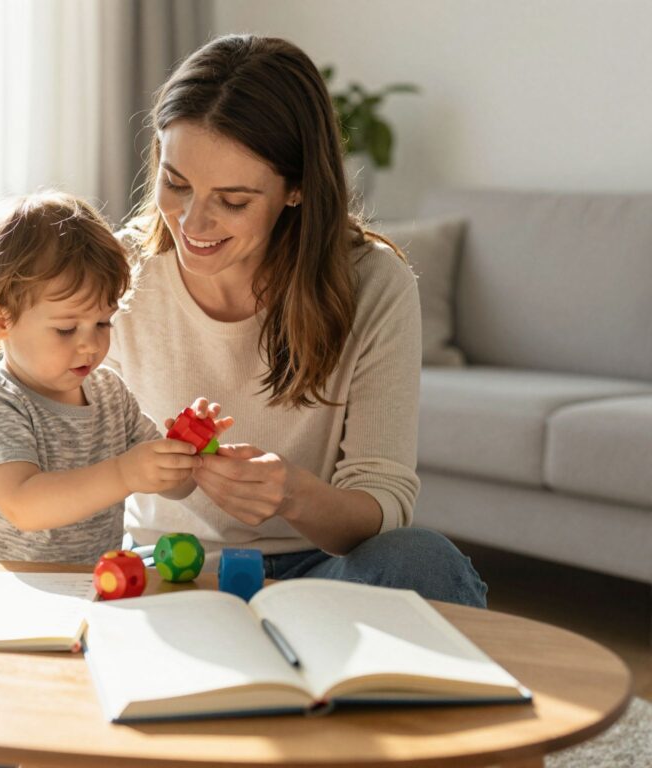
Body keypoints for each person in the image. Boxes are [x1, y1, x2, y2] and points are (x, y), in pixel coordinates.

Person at [108, 34, 487, 608]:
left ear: (297, 188)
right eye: (176, 183)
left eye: (233, 200)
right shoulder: (117, 271)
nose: (192, 222)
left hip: (318, 570)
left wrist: (294, 496)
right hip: (162, 563)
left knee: (424, 560)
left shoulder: (373, 283)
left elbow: (381, 502)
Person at [0, 190, 230, 566]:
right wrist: (124, 473)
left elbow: (175, 487)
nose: (91, 344)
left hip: (87, 581)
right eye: (66, 329)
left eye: (103, 323)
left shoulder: (110, 393)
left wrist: (184, 450)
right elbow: (24, 506)